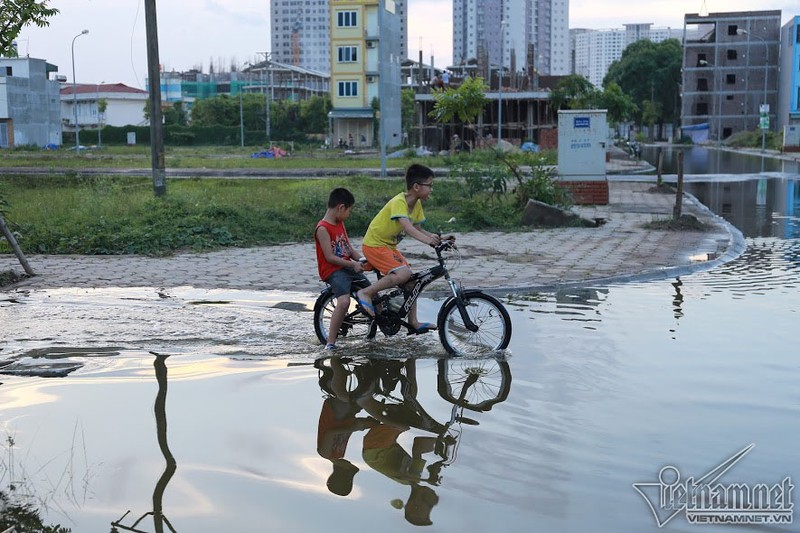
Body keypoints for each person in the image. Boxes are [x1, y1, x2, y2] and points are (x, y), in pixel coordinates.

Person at [356, 164, 454, 334]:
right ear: (416, 187)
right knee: (403, 274)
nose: (431, 189)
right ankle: (366, 292)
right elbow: (408, 228)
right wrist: (429, 242)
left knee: (412, 282)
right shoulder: (399, 202)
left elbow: (419, 229)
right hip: (374, 244)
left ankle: (413, 322)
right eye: (429, 185)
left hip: (388, 246)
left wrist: (438, 238)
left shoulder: (416, 205)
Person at [315, 188, 369, 350]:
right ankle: (330, 342)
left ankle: (373, 328)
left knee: (372, 293)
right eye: (349, 210)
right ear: (341, 207)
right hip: (333, 270)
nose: (349, 214)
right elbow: (330, 257)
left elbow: (349, 250)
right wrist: (352, 264)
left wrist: (363, 260)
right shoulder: (323, 228)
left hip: (347, 266)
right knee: (344, 301)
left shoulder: (340, 223)